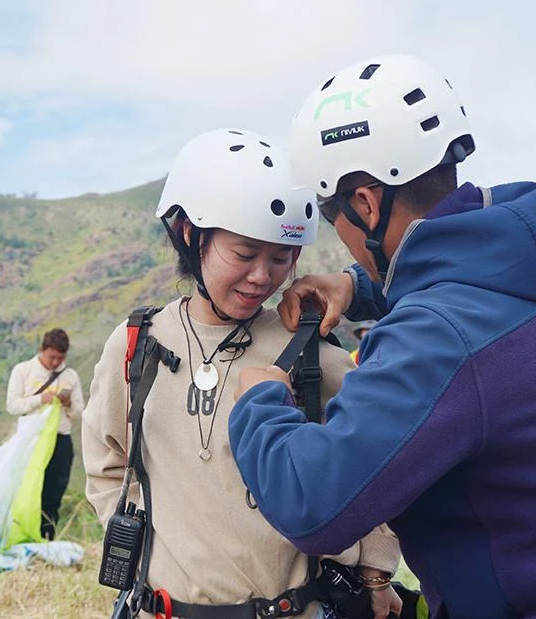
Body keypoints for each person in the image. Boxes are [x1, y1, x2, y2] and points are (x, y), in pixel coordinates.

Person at [228, 54, 536, 618]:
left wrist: (260, 400)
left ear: (365, 204)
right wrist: (357, 284)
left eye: (334, 216)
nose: (341, 237)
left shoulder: (440, 338)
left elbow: (311, 503)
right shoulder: (535, 267)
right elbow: (457, 291)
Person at [82, 129, 404, 619]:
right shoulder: (138, 344)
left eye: (280, 258)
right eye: (244, 254)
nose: (261, 277)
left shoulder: (309, 351)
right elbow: (108, 461)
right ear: (190, 235)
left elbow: (381, 457)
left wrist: (376, 569)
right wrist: (147, 541)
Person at [6, 328, 84, 540]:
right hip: (31, 439)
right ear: (41, 350)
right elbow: (12, 405)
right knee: (28, 489)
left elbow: (79, 412)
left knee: (54, 493)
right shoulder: (23, 370)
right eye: (51, 357)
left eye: (60, 358)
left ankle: (47, 538)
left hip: (60, 439)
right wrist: (40, 399)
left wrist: (67, 404)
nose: (55, 362)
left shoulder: (71, 376)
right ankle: (21, 534)